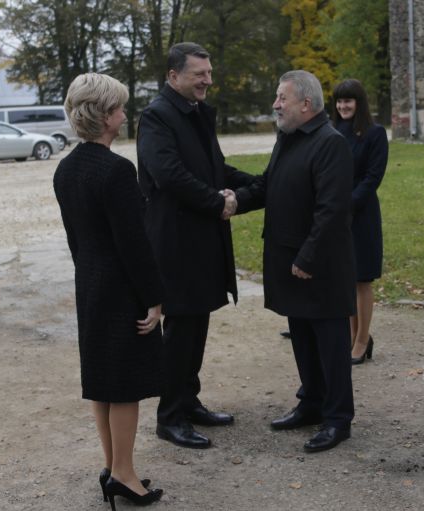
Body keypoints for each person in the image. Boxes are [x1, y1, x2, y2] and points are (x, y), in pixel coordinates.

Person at [137, 42, 256, 449]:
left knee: (196, 323)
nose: (208, 80)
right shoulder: (157, 116)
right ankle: (170, 417)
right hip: (175, 241)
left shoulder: (196, 112)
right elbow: (168, 174)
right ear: (174, 76)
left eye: (209, 72)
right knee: (181, 330)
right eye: (199, 74)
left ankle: (188, 401)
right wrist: (218, 202)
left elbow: (213, 168)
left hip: (201, 237)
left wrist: (260, 183)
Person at [53, 73, 164, 509]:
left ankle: (112, 466)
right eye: (118, 107)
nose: (124, 113)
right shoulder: (117, 170)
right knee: (125, 386)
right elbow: (133, 244)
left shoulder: (65, 169)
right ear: (103, 116)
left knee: (102, 381)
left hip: (90, 282)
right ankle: (124, 475)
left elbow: (76, 240)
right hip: (122, 289)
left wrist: (90, 275)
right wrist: (154, 297)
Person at [234, 70, 356, 453]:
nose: (275, 104)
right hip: (289, 262)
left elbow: (332, 210)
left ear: (306, 104)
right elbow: (268, 185)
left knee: (331, 345)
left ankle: (338, 419)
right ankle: (312, 403)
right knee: (302, 338)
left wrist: (308, 256)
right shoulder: (288, 138)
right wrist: (235, 201)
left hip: (319, 266)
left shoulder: (330, 143)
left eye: (281, 97)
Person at [332, 79, 389, 364]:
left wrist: (349, 204)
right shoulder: (332, 130)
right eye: (340, 101)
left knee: (362, 279)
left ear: (359, 102)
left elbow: (373, 176)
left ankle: (363, 339)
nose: (343, 106)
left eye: (348, 101)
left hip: (361, 213)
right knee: (346, 279)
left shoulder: (375, 133)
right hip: (336, 212)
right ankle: (353, 336)